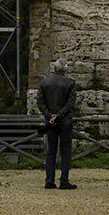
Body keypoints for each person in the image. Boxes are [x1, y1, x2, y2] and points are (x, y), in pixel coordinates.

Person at [37, 58, 77, 189]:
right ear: (66, 69)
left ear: (54, 68)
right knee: (65, 152)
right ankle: (64, 181)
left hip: (50, 123)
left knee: (51, 151)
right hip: (65, 122)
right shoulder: (70, 83)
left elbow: (40, 102)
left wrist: (50, 116)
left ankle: (49, 180)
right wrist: (59, 116)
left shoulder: (44, 82)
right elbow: (70, 104)